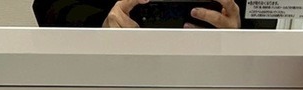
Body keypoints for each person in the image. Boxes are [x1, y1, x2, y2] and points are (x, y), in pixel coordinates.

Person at [32, 0, 244, 29]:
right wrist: (101, 23)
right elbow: (49, 6)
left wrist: (246, 35)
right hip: (110, 79)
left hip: (220, 81)